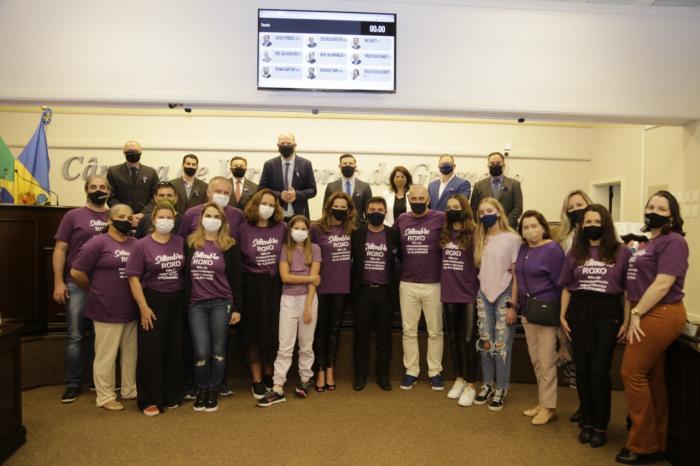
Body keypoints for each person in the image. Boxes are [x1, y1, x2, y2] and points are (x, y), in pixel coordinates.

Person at [616, 191, 688, 465]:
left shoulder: (674, 242)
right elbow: (633, 284)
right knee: (652, 378)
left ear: (672, 215)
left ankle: (642, 444)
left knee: (631, 373)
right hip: (643, 312)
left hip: (661, 312)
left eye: (661, 207)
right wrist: (631, 314)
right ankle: (657, 441)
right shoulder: (649, 243)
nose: (654, 210)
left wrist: (636, 313)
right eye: (650, 206)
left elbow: (662, 284)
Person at [559, 204, 631, 448]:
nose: (591, 225)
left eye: (596, 221)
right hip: (579, 311)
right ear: (581, 226)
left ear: (606, 223)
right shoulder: (575, 251)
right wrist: (562, 316)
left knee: (599, 371)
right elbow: (567, 287)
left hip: (608, 313)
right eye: (587, 222)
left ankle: (601, 425)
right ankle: (587, 422)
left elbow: (627, 292)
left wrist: (627, 320)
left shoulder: (621, 252)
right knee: (583, 370)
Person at [70, 204, 138, 411]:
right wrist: (93, 289)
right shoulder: (97, 242)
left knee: (130, 353)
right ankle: (105, 395)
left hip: (131, 308)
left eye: (129, 217)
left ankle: (129, 389)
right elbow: (76, 272)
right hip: (105, 307)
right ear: (109, 220)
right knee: (106, 355)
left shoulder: (136, 243)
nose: (125, 220)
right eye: (120, 216)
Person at [53, 175, 110, 403]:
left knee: (102, 337)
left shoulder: (114, 215)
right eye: (94, 187)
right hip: (76, 284)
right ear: (86, 190)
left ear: (109, 191)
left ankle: (100, 381)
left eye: (102, 187)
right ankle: (73, 384)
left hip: (105, 286)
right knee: (75, 336)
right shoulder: (73, 216)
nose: (98, 190)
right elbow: (60, 249)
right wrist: (58, 281)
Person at [126, 202, 186, 416]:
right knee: (151, 351)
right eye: (161, 217)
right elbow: (133, 278)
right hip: (152, 300)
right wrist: (143, 307)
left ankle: (171, 394)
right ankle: (149, 399)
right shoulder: (141, 245)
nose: (165, 221)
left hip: (177, 301)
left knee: (174, 349)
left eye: (169, 218)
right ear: (153, 220)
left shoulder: (181, 242)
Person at [257, 215, 322, 407]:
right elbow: (285, 277)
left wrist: (308, 306)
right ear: (290, 230)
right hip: (288, 299)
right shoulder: (285, 249)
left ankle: (304, 380)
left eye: (304, 228)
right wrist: (309, 278)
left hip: (308, 301)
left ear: (308, 231)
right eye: (297, 228)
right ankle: (278, 387)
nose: (300, 232)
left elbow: (315, 281)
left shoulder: (315, 249)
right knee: (285, 346)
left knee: (306, 344)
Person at [184, 202, 243, 412]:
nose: (212, 219)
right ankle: (201, 389)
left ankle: (213, 390)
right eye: (208, 215)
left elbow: (237, 278)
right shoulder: (191, 242)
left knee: (218, 352)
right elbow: (184, 276)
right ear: (201, 219)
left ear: (222, 221)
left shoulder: (229, 245)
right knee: (201, 351)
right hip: (196, 305)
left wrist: (236, 308)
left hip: (222, 303)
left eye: (216, 216)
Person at [515, 210, 565, 425]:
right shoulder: (524, 248)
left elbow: (561, 283)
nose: (530, 230)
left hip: (545, 311)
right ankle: (542, 402)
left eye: (534, 225)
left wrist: (562, 315)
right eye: (525, 227)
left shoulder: (552, 249)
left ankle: (549, 407)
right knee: (536, 360)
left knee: (546, 361)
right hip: (527, 311)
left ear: (543, 227)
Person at [237, 189, 287, 399]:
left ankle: (269, 373)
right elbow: (238, 260)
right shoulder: (243, 229)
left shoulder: (282, 228)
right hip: (251, 286)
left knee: (273, 332)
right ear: (255, 205)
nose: (267, 207)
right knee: (253, 334)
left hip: (275, 285)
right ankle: (256, 378)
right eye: (263, 203)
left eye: (271, 204)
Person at [394, 185, 445, 391]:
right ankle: (411, 371)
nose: (417, 201)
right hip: (408, 283)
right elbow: (396, 246)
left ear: (428, 199)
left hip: (434, 283)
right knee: (409, 331)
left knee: (435, 332)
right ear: (408, 198)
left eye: (420, 198)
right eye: (413, 198)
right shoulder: (402, 219)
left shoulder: (441, 218)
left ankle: (435, 371)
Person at [472, 197, 522, 411]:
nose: (485, 215)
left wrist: (513, 304)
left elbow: (517, 275)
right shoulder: (480, 237)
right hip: (483, 295)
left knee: (501, 347)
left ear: (499, 212)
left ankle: (501, 387)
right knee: (486, 343)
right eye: (481, 213)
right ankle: (487, 384)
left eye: (489, 211)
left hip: (504, 296)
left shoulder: (512, 238)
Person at [351, 197, 400, 391]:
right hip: (362, 291)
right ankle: (360, 376)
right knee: (360, 336)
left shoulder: (393, 234)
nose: (376, 212)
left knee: (384, 337)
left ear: (385, 211)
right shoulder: (357, 234)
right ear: (366, 211)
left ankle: (383, 376)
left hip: (385, 292)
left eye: (380, 209)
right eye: (372, 209)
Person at [553, 189, 593, 424]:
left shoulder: (606, 236)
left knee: (592, 359)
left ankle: (594, 408)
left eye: (580, 204)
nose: (576, 209)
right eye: (571, 206)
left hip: (595, 302)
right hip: (570, 300)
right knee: (574, 357)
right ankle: (582, 403)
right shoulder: (563, 237)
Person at [311, 192, 356, 391]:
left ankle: (330, 369)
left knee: (334, 331)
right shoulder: (316, 228)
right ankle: (319, 370)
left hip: (342, 287)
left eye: (343, 207)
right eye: (336, 206)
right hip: (321, 287)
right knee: (320, 331)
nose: (339, 209)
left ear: (348, 210)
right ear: (329, 207)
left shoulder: (352, 229)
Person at [439, 195, 479, 406]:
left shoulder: (474, 232)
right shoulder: (444, 232)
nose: (453, 210)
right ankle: (459, 379)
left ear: (464, 209)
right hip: (449, 292)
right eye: (449, 207)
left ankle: (471, 384)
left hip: (469, 293)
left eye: (456, 207)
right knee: (453, 338)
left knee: (468, 340)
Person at [258, 132, 317, 220]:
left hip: (299, 215)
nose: (285, 146)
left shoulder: (305, 164)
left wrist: (296, 194)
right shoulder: (269, 164)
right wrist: (279, 195)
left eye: (289, 143)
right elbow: (261, 190)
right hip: (274, 214)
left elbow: (312, 190)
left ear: (295, 145)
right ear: (278, 145)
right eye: (282, 143)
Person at [106, 141, 160, 225]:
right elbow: (110, 196)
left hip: (146, 218)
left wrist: (143, 213)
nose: (133, 153)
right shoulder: (113, 171)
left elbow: (156, 196)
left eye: (136, 151)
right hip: (121, 219)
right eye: (130, 151)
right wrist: (125, 214)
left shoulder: (151, 172)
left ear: (141, 152)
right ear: (124, 153)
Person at [469, 152, 523, 229]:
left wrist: (504, 222)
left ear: (503, 165)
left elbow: (518, 208)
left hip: (508, 227)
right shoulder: (478, 185)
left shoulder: (514, 184)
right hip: (485, 228)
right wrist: (483, 223)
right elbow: (474, 209)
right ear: (488, 165)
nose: (495, 165)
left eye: (498, 163)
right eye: (492, 163)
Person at [179, 176, 245, 238]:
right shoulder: (191, 213)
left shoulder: (238, 215)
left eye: (226, 193)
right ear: (208, 192)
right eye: (218, 191)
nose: (222, 195)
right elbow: (183, 241)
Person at [323, 154, 373, 221]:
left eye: (350, 163)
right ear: (340, 166)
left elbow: (368, 211)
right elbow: (326, 209)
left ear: (355, 166)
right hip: (336, 226)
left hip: (358, 227)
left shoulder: (365, 187)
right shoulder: (331, 186)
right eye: (344, 163)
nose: (348, 165)